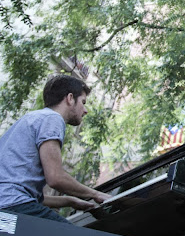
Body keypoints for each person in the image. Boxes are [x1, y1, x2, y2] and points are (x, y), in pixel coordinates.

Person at [0, 74, 110, 223]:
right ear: (70, 98)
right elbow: (56, 178)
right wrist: (96, 194)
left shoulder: (31, 118)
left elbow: (26, 193)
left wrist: (70, 201)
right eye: (83, 102)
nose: (85, 110)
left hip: (6, 210)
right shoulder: (53, 119)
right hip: (14, 206)